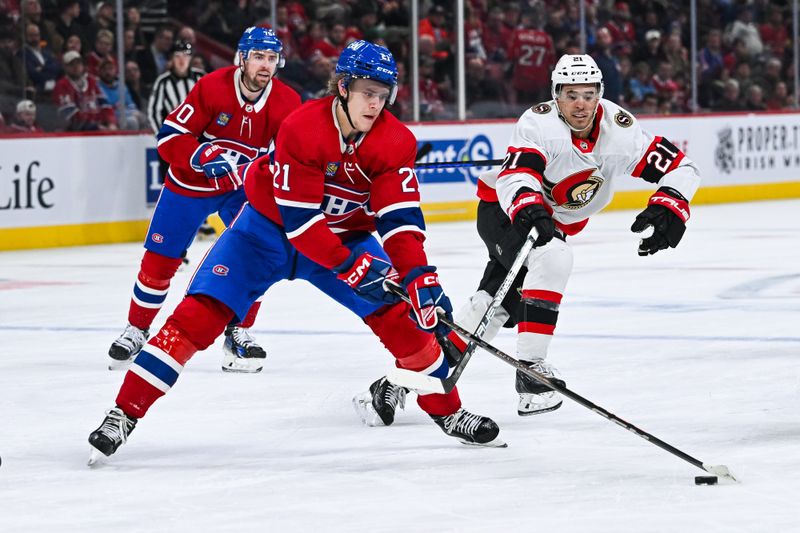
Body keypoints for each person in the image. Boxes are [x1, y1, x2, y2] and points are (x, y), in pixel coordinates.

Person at [87, 40, 504, 464]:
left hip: (343, 240)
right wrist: (351, 266)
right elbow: (302, 223)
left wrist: (417, 275)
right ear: (342, 86)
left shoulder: (395, 141)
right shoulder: (303, 126)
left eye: (383, 94)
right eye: (366, 91)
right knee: (194, 320)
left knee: (404, 322)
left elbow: (400, 222)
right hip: (264, 236)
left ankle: (450, 413)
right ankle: (123, 414)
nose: (375, 103)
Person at [365, 54, 700, 422]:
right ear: (556, 94)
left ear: (600, 94)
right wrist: (529, 207)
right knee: (554, 258)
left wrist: (672, 203)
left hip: (549, 222)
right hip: (504, 212)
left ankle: (397, 380)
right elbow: (517, 175)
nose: (580, 104)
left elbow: (679, 167)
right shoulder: (539, 122)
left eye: (589, 94)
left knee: (492, 308)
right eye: (571, 94)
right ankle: (531, 373)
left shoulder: (619, 129)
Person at [105, 27, 301, 374]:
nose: (265, 65)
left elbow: (292, 154)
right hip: (188, 185)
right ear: (242, 58)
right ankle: (137, 329)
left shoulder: (287, 101)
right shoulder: (211, 86)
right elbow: (169, 138)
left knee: (257, 254)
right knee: (159, 262)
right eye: (258, 56)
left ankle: (239, 332)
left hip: (241, 188)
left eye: (271, 58)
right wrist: (201, 154)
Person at [146, 40, 204, 134]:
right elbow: (154, 112)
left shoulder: (201, 77)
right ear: (172, 59)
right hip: (176, 136)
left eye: (185, 56)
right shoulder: (163, 82)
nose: (182, 60)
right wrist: (163, 136)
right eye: (177, 56)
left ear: (190, 58)